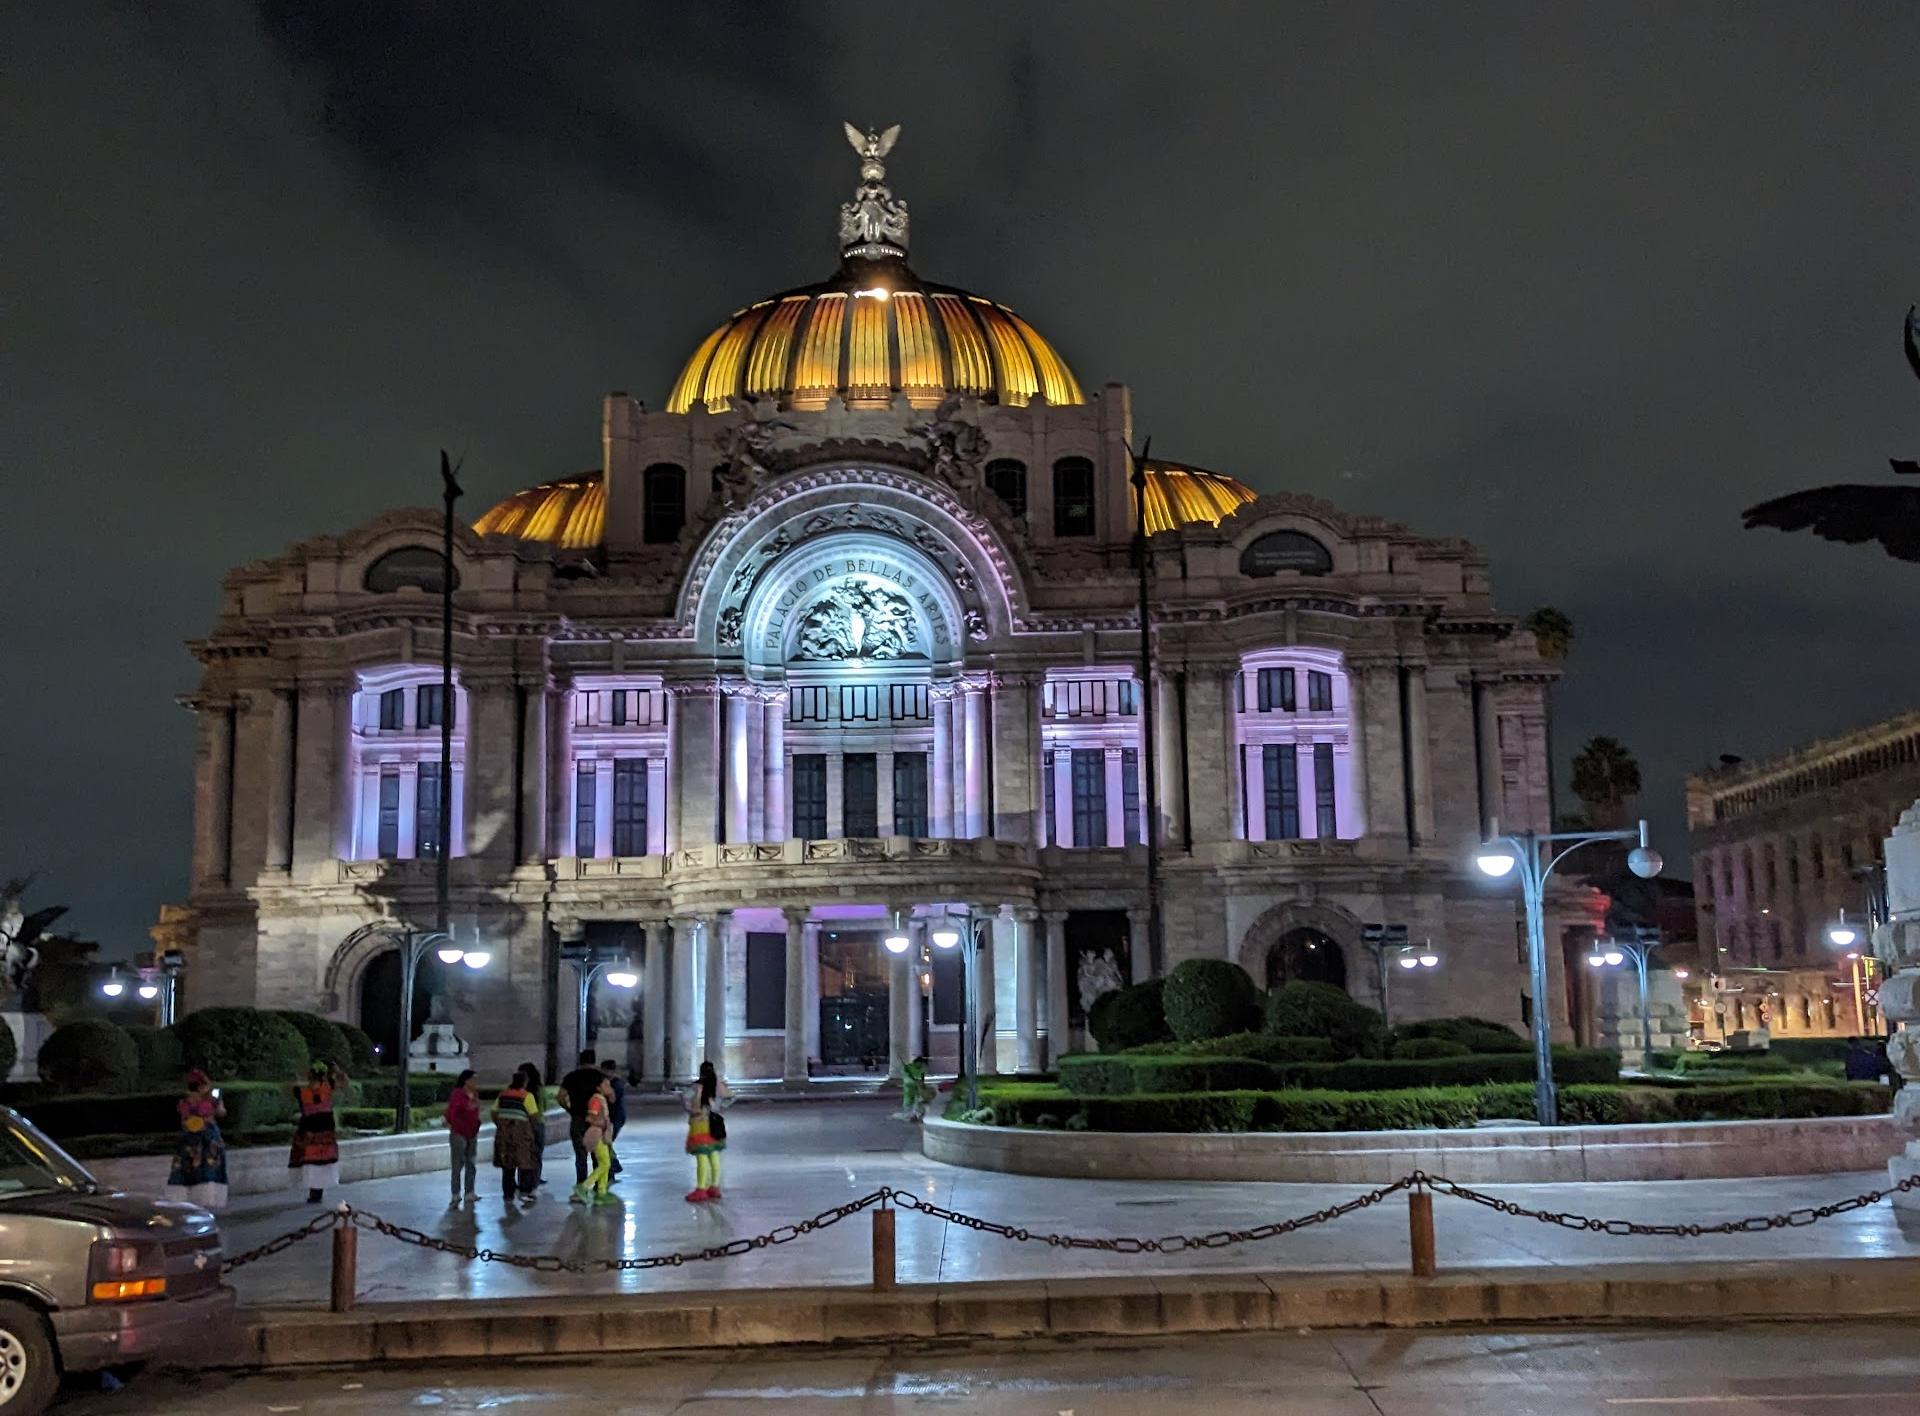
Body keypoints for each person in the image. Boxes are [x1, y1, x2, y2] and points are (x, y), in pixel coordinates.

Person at [166, 1070, 228, 1211]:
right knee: (208, 1169)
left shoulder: (185, 1100)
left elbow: (183, 1121)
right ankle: (206, 1199)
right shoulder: (212, 1097)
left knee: (187, 1168)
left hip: (190, 1137)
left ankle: (186, 1199)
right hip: (207, 1136)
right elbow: (221, 1112)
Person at [289, 1060, 346, 1203]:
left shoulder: (303, 1091)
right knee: (316, 1161)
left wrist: (299, 1077)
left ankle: (315, 1190)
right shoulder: (325, 1087)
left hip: (312, 1129)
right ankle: (316, 1190)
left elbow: (288, 1087)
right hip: (320, 1129)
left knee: (311, 1161)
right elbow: (344, 1083)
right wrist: (338, 1072)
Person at [491, 1069, 543, 1204]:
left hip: (504, 1134)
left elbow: (494, 1112)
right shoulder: (526, 1096)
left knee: (507, 1164)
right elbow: (534, 1116)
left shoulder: (503, 1095)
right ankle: (524, 1191)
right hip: (521, 1134)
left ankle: (508, 1194)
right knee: (524, 1162)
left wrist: (501, 1125)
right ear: (524, 1082)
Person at [684, 1060, 729, 1203]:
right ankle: (714, 1186)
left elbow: (685, 1099)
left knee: (702, 1157)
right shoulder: (718, 1085)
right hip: (714, 1125)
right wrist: (718, 1108)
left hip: (699, 1125)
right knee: (714, 1155)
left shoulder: (696, 1086)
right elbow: (732, 1096)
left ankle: (701, 1189)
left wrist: (692, 1110)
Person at [570, 1075, 617, 1207]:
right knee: (604, 1163)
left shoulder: (601, 1099)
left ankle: (601, 1192)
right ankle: (584, 1186)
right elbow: (590, 1118)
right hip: (596, 1133)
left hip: (602, 1133)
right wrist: (602, 1124)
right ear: (598, 1087)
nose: (609, 1088)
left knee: (605, 1162)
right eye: (606, 1085)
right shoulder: (596, 1100)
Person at [559, 1049, 605, 1186]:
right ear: (594, 1060)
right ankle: (598, 1185)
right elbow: (609, 1095)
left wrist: (569, 1109)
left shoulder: (571, 1077)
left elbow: (560, 1097)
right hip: (596, 1120)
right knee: (598, 1154)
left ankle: (581, 1184)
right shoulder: (600, 1077)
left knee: (580, 1155)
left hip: (578, 1117)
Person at [445, 1069, 481, 1203]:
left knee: (471, 1162)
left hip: (472, 1132)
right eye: (473, 1079)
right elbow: (452, 1113)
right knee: (457, 1164)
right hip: (459, 1133)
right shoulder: (457, 1094)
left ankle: (469, 1191)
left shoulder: (475, 1094)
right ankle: (455, 1193)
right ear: (466, 1081)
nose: (476, 1082)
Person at [518, 1060, 547, 1186]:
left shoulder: (521, 1092)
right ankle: (536, 1177)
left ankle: (522, 1179)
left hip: (523, 1123)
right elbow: (544, 1105)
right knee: (537, 1152)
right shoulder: (539, 1089)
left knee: (523, 1153)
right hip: (538, 1123)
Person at [599, 1057, 628, 1181]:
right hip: (611, 1118)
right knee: (606, 1143)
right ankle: (613, 1167)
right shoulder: (611, 1082)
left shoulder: (616, 1084)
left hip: (615, 1118)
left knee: (606, 1143)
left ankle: (613, 1167)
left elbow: (612, 1100)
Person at [899, 1054, 933, 1122]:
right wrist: (914, 1080)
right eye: (919, 1063)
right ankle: (909, 1115)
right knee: (908, 1100)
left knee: (918, 1100)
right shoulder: (908, 1067)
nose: (920, 1065)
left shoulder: (922, 1067)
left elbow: (922, 1075)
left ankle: (915, 1114)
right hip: (908, 1085)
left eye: (921, 1064)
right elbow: (906, 1076)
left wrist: (922, 1083)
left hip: (918, 1086)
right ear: (916, 1062)